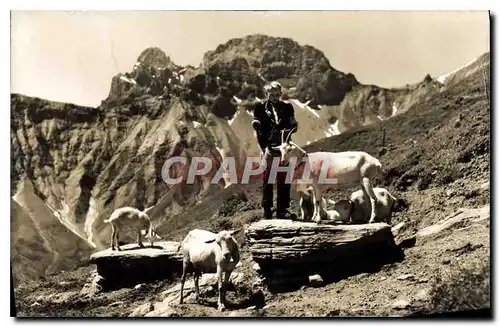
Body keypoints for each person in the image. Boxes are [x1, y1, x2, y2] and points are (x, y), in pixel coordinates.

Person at [252, 81, 298, 219]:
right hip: (269, 147)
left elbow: (292, 121)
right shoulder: (260, 107)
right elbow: (256, 121)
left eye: (277, 94)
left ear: (280, 94)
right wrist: (256, 124)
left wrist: (293, 125)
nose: (274, 97)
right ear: (267, 94)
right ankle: (267, 209)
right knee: (268, 179)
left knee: (284, 179)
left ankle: (282, 210)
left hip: (284, 146)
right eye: (271, 94)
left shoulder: (287, 107)